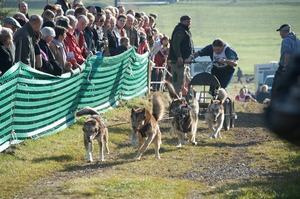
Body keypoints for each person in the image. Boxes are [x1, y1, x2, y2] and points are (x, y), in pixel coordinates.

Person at [272, 24, 300, 99]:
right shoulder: (297, 41)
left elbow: (287, 54)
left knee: (276, 88)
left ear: (284, 32)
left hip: (286, 68)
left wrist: (285, 67)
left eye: (280, 32)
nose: (280, 34)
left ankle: (275, 105)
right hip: (296, 70)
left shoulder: (286, 40)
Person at [168, 15, 194, 94]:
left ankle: (183, 98)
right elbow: (176, 44)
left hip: (184, 61)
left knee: (185, 80)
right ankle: (176, 99)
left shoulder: (185, 30)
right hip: (178, 61)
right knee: (178, 81)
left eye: (190, 21)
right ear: (182, 21)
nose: (189, 23)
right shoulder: (180, 30)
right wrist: (179, 56)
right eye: (187, 21)